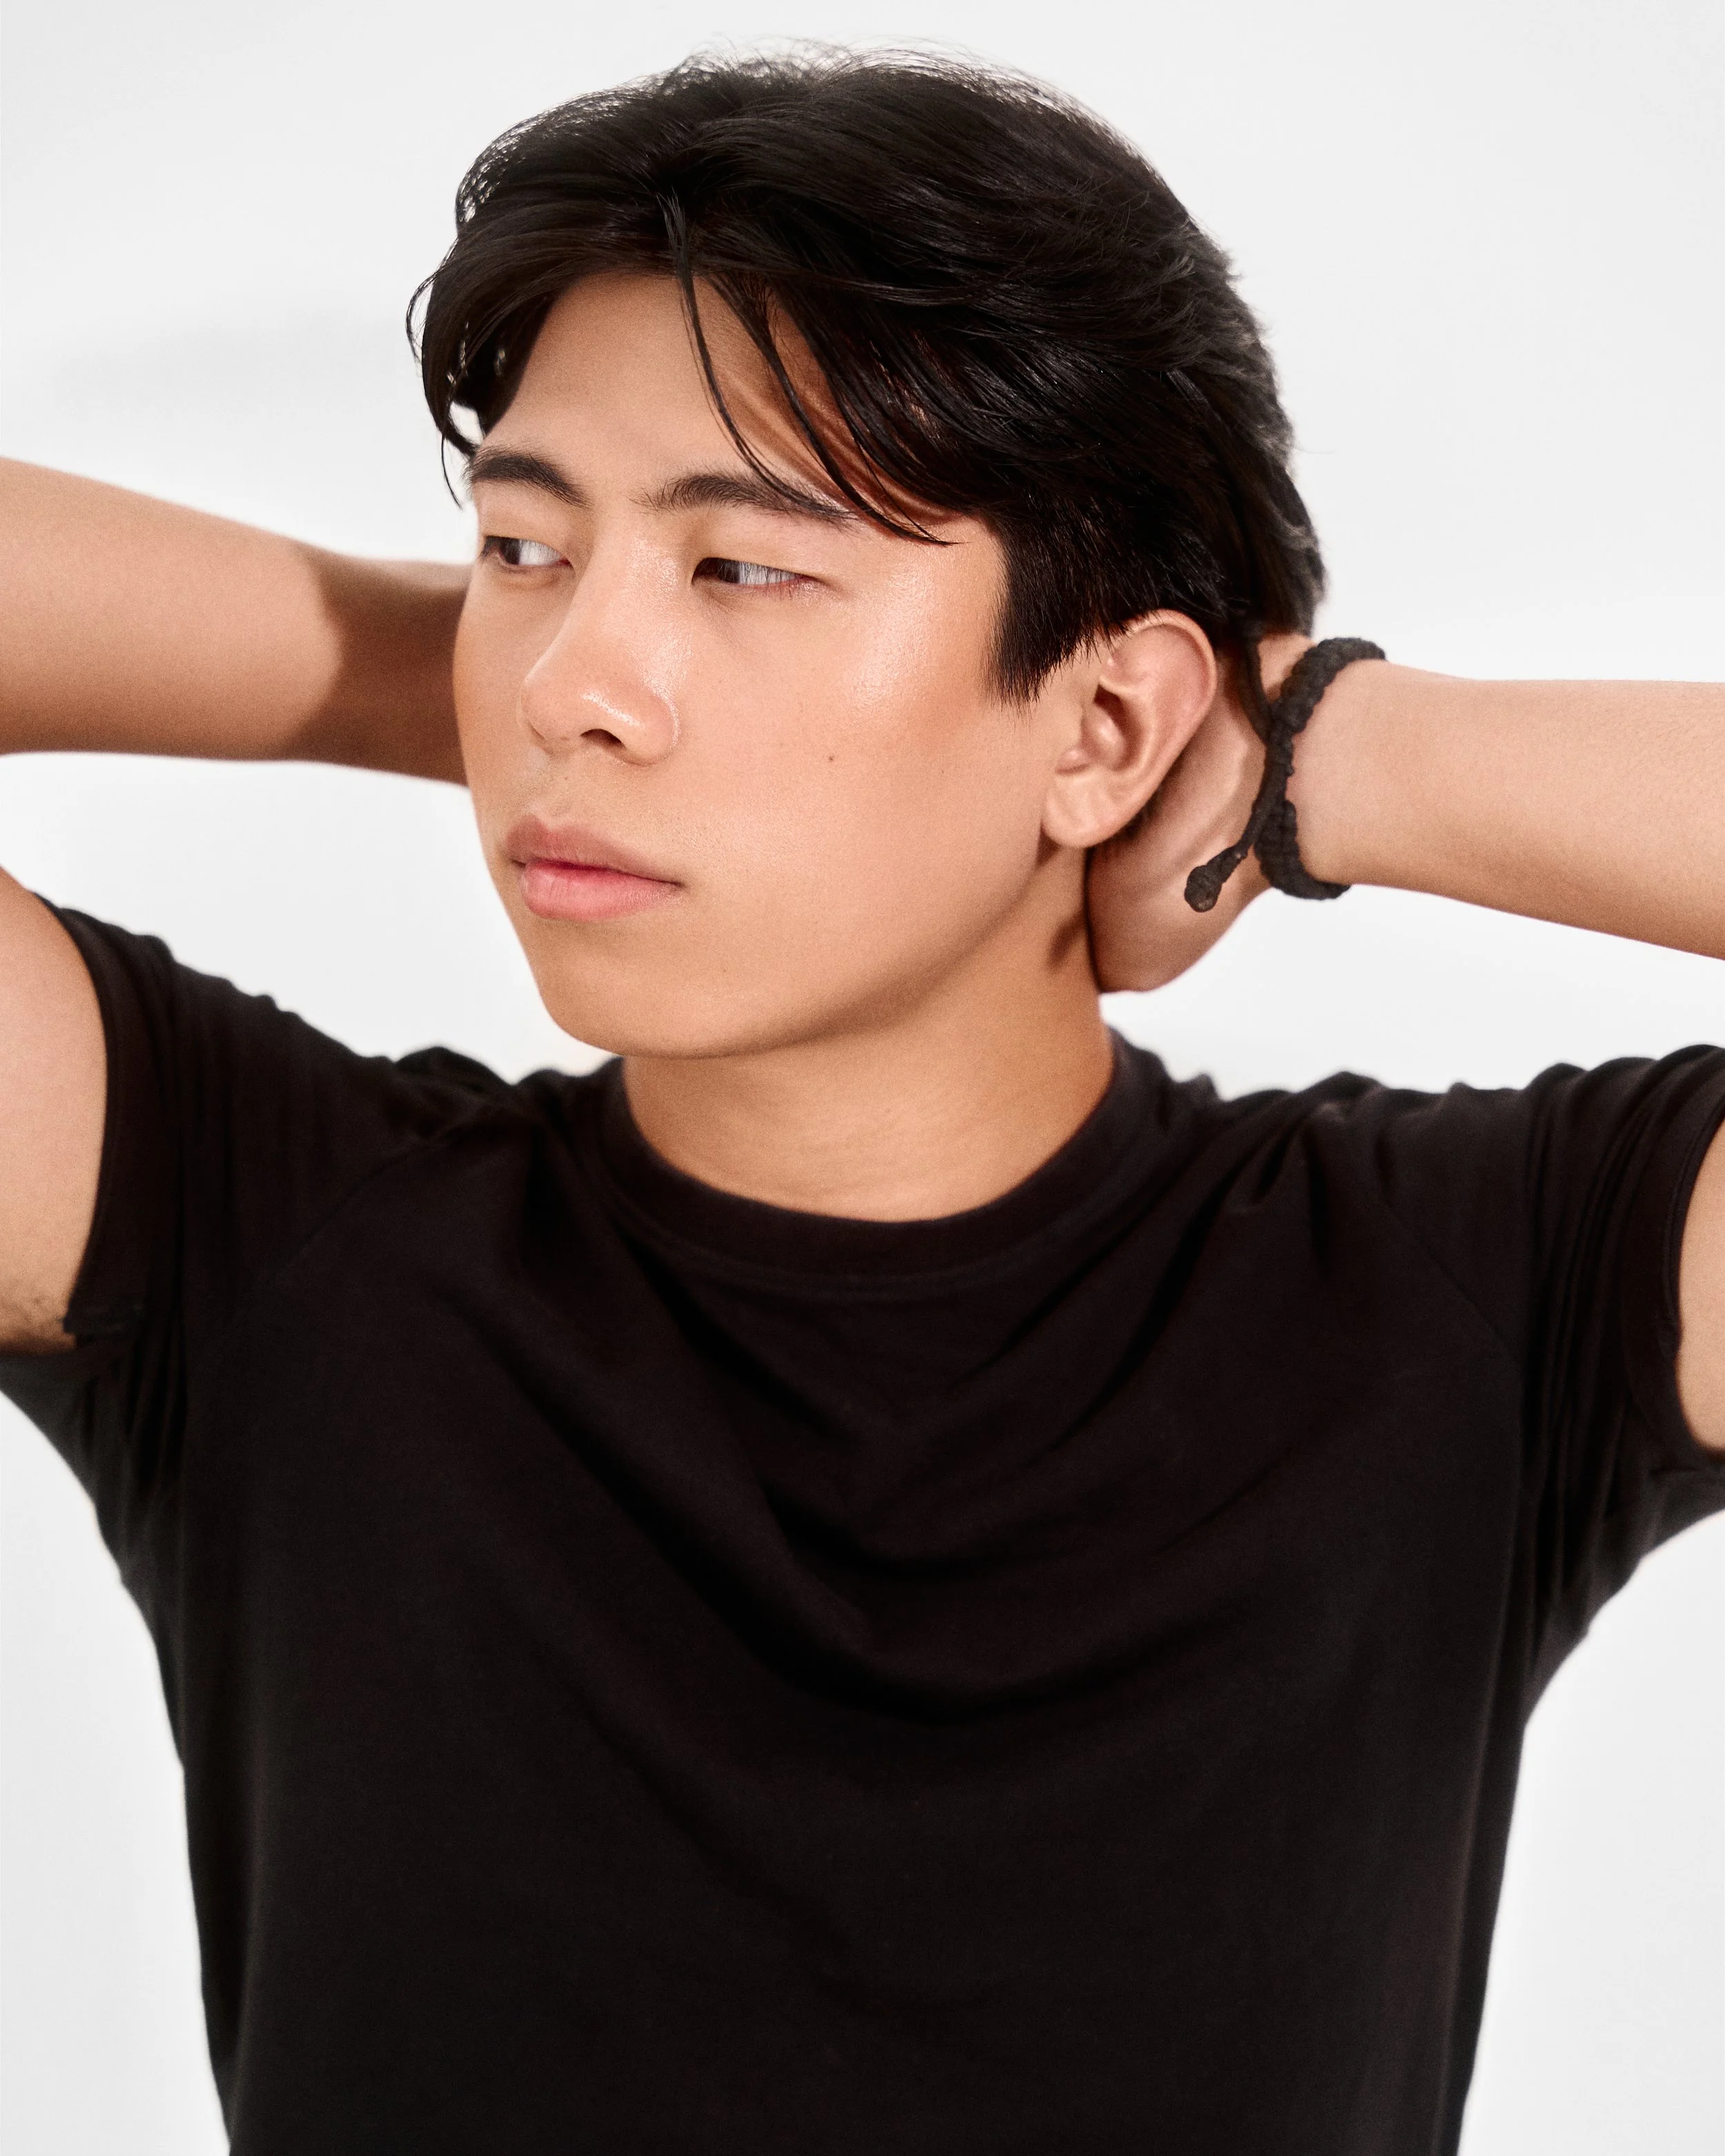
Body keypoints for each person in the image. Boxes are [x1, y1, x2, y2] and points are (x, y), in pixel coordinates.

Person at [1, 47, 1722, 2156]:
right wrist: (481, 676)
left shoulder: (1473, 1295)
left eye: (745, 568)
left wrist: (1321, 759)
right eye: (520, 546)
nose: (567, 681)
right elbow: (556, 683)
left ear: (1107, 720)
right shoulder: (260, 1238)